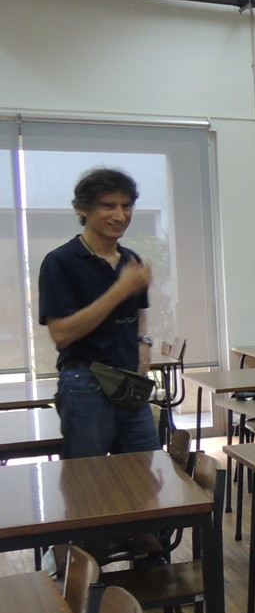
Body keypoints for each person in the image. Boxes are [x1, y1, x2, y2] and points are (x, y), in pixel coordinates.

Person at [38, 167, 160, 459]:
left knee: (146, 472)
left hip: (129, 381)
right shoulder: (61, 261)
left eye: (126, 206)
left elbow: (139, 310)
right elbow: (61, 334)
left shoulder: (130, 259)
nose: (120, 215)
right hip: (85, 382)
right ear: (83, 209)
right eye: (108, 206)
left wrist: (143, 341)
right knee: (87, 477)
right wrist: (120, 289)